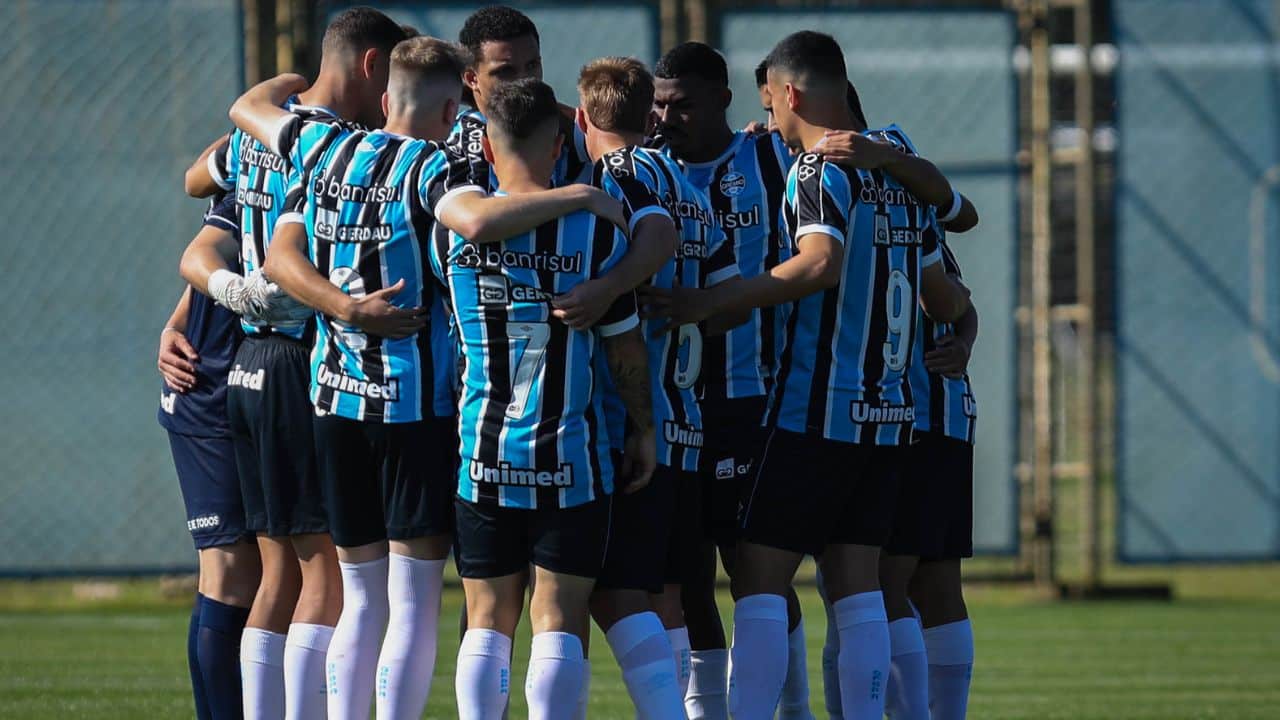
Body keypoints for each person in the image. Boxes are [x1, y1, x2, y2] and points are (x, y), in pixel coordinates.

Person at [229, 36, 627, 719]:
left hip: (334, 396)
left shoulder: (325, 149)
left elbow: (280, 256)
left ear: (385, 98)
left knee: (357, 594)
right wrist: (579, 196)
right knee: (410, 601)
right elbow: (474, 219)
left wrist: (343, 307)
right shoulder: (431, 166)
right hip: (411, 404)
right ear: (451, 110)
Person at [659, 31, 972, 720]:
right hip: (887, 416)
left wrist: (714, 300)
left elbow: (819, 263)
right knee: (858, 585)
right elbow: (945, 296)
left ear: (791, 93)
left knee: (761, 583)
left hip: (813, 410)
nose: (766, 117)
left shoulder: (815, 171)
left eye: (769, 102)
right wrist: (963, 333)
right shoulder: (900, 174)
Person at [183, 10, 412, 717]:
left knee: (278, 570)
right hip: (300, 357)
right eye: (394, 81)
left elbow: (196, 178)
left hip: (248, 356)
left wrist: (278, 87)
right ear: (374, 66)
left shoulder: (261, 134)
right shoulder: (333, 144)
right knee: (326, 576)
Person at [428, 78, 657, 720]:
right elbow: (625, 349)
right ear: (561, 144)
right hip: (571, 456)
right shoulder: (597, 232)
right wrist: (644, 428)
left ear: (490, 148)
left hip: (483, 449)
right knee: (558, 614)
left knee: (488, 618)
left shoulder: (452, 231)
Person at [160, 193, 261, 720]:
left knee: (270, 574)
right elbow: (200, 253)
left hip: (259, 389)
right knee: (228, 572)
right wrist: (178, 327)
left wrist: (176, 320)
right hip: (207, 390)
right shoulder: (260, 146)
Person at [447, 5, 592, 188]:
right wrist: (583, 197)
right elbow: (474, 215)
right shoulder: (458, 148)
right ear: (471, 78)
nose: (524, 79)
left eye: (532, 65)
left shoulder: (574, 129)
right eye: (505, 71)